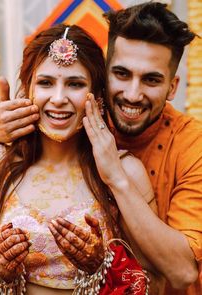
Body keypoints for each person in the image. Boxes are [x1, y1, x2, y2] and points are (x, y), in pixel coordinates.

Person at [0, 24, 156, 294]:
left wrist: (101, 266)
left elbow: (153, 284)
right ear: (27, 90)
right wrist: (2, 272)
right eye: (45, 83)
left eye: (75, 84)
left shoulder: (126, 171)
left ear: (98, 96)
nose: (58, 99)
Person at [103, 2, 201, 295]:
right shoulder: (72, 121)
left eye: (151, 79)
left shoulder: (192, 144)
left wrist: (117, 179)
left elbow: (182, 271)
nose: (133, 94)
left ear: (172, 88)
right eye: (121, 74)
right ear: (103, 73)